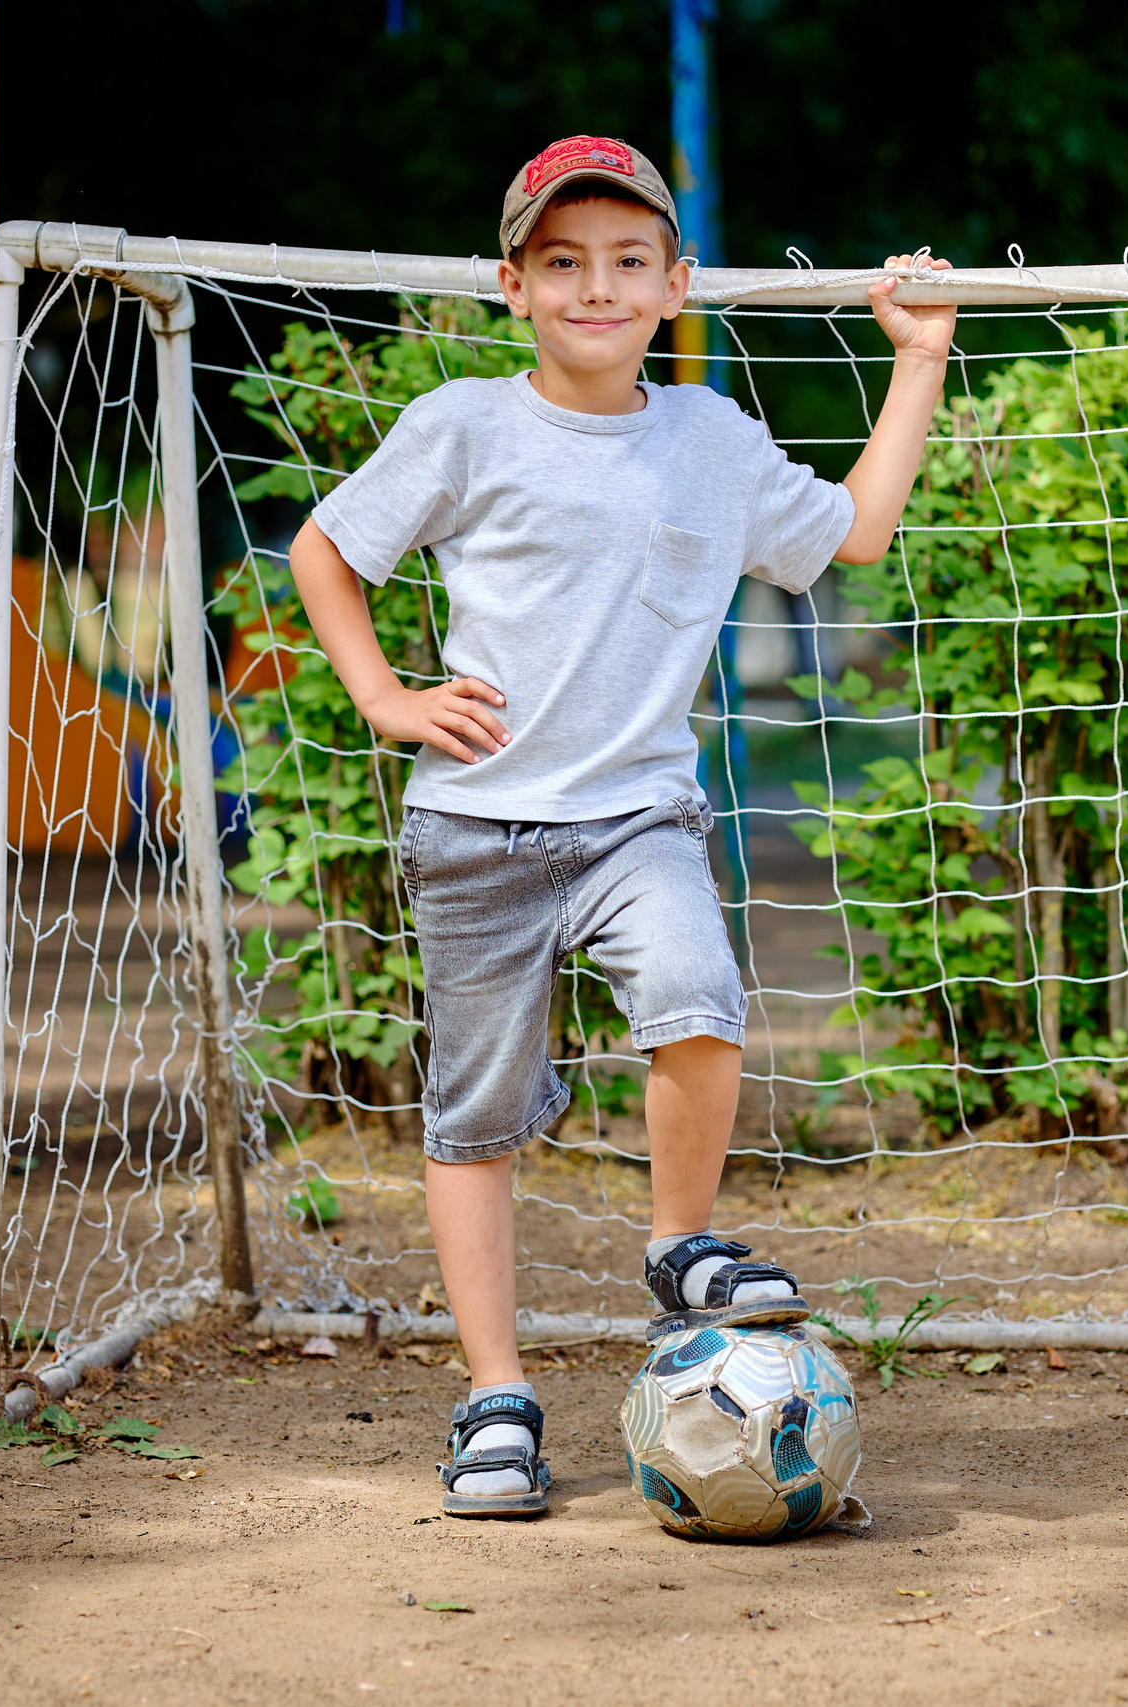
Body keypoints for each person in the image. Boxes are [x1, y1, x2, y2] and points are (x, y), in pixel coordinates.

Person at [291, 134, 952, 1518]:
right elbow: (326, 550)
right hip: (474, 827)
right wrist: (383, 698)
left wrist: (920, 354)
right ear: (514, 286)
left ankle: (677, 1246)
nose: (597, 287)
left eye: (628, 262)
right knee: (472, 1119)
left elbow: (860, 533)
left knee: (699, 995)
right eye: (563, 264)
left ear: (676, 283)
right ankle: (495, 1398)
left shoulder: (706, 438)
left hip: (637, 814)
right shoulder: (467, 424)